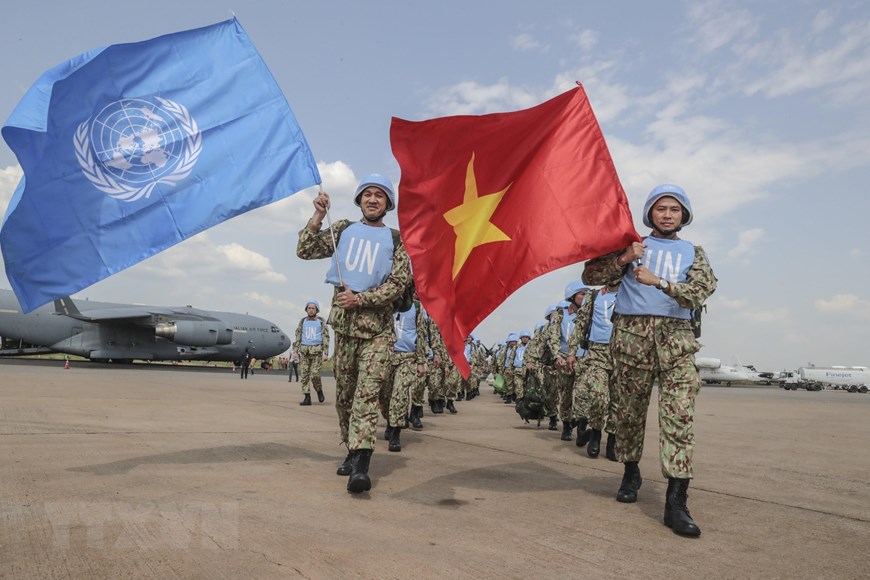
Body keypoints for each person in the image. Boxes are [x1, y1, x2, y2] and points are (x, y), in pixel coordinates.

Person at [582, 184, 716, 537]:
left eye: (674, 209)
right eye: (661, 209)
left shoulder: (694, 253)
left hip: (677, 344)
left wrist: (661, 283)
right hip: (631, 341)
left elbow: (700, 291)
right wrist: (624, 259)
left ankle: (677, 500)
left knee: (679, 418)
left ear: (683, 215)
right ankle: (630, 471)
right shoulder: (631, 245)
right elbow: (590, 276)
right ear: (650, 214)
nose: (668, 214)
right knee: (628, 414)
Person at [296, 174, 411, 494]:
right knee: (345, 397)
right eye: (367, 194)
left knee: (366, 395)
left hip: (378, 334)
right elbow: (305, 250)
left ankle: (361, 462)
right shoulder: (343, 229)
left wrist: (361, 299)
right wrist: (318, 215)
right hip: (345, 330)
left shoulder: (397, 239)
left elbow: (398, 284)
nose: (373, 199)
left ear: (388, 204)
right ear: (359, 200)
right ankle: (350, 447)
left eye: (380, 196)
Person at [568, 280, 620, 460]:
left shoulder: (631, 292)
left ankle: (612, 440)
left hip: (622, 353)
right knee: (598, 396)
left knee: (618, 400)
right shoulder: (594, 296)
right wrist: (572, 352)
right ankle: (596, 433)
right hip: (597, 351)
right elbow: (580, 324)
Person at [384, 286, 427, 451]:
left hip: (407, 357)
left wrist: (421, 361)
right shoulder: (386, 305)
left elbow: (421, 336)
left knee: (400, 395)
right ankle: (389, 421)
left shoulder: (416, 308)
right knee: (386, 395)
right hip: (386, 356)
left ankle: (395, 433)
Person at [293, 300, 330, 405]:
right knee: (304, 375)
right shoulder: (302, 321)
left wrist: (326, 352)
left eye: (313, 308)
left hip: (317, 352)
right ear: (306, 309)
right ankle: (307, 397)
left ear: (317, 310)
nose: (311, 310)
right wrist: (295, 351)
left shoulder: (321, 321)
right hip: (304, 352)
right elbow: (298, 336)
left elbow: (325, 337)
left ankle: (319, 390)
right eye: (309, 308)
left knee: (314, 375)